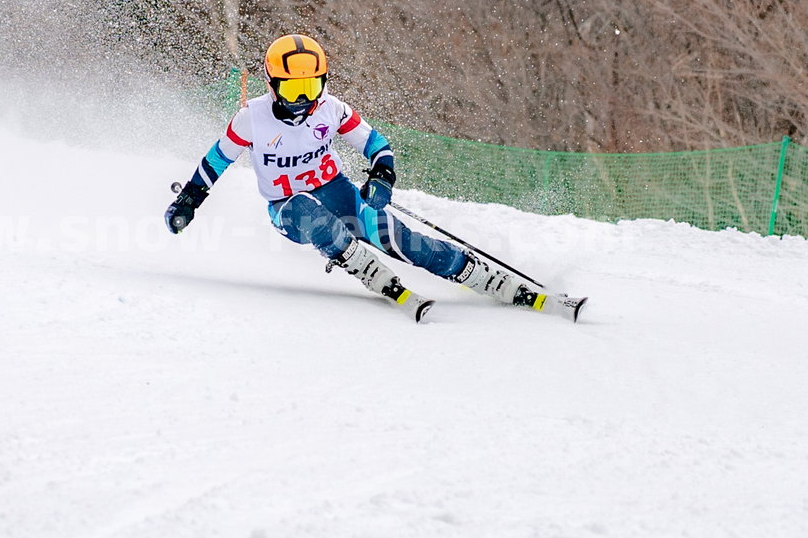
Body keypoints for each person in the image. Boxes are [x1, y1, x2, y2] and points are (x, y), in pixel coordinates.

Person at [165, 34, 584, 322]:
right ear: (272, 85)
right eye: (293, 90)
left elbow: (377, 145)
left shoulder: (331, 109)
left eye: (312, 86)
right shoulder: (250, 119)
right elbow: (215, 163)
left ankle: (485, 278)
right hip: (287, 208)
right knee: (311, 215)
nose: (304, 99)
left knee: (402, 240)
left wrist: (382, 177)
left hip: (339, 194)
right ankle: (364, 267)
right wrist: (188, 201)